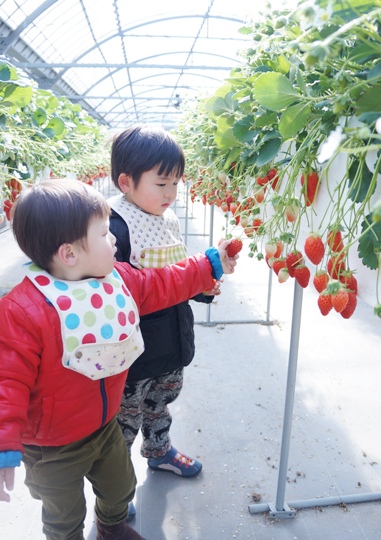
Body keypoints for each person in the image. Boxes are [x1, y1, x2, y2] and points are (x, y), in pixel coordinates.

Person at [0, 178, 237, 540]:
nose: (114, 239)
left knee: (120, 487)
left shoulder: (118, 279)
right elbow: (7, 382)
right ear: (69, 254)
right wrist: (5, 444)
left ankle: (112, 527)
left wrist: (209, 266)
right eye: (103, 233)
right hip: (52, 445)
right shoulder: (24, 310)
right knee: (64, 512)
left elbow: (163, 283)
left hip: (104, 425)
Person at [108, 125, 221, 489]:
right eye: (162, 183)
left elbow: (177, 266)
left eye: (176, 183)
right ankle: (115, 490)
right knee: (124, 420)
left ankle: (159, 452)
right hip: (133, 349)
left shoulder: (166, 218)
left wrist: (203, 288)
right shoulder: (115, 228)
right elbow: (116, 293)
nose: (171, 193)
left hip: (172, 335)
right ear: (126, 182)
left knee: (160, 402)